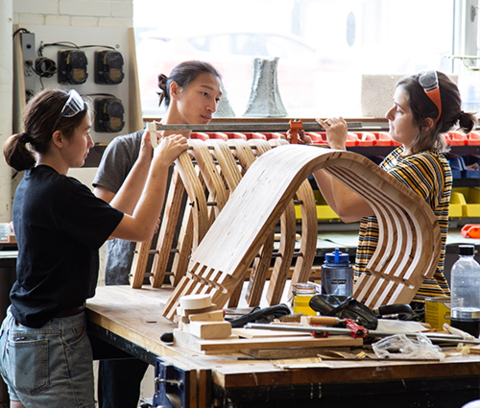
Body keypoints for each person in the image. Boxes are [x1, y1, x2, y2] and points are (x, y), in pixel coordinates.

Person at [0, 88, 188, 408]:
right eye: (85, 132)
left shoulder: (34, 182)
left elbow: (110, 218)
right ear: (59, 138)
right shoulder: (62, 192)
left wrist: (143, 160)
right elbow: (141, 229)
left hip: (21, 334)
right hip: (52, 341)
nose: (90, 142)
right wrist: (160, 167)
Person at [92, 60, 223, 408]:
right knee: (118, 389)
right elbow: (99, 218)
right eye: (204, 94)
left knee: (182, 390)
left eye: (217, 99)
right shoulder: (127, 148)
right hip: (127, 284)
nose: (211, 106)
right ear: (174, 90)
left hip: (184, 288)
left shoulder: (208, 156)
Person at [291, 70, 477, 308]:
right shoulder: (399, 157)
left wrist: (337, 147)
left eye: (399, 110)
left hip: (411, 301)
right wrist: (318, 157)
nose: (388, 114)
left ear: (426, 124)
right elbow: (343, 208)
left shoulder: (424, 165)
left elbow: (347, 205)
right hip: (386, 292)